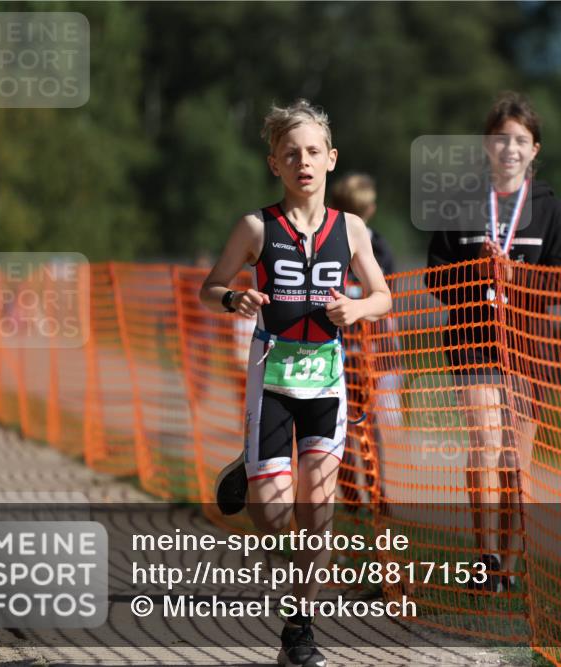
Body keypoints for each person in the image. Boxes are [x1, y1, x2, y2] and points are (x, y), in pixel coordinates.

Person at [200, 99, 391, 667]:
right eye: (291, 154)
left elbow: (382, 296)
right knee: (277, 516)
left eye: (312, 152)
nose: (302, 162)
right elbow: (209, 287)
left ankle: (300, 629)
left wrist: (357, 311)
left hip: (326, 382)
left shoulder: (351, 230)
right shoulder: (256, 227)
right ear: (274, 164)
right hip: (273, 378)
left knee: (318, 504)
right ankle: (249, 465)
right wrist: (236, 298)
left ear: (330, 160)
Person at [426, 91, 561, 592]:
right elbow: (435, 276)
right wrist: (476, 274)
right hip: (473, 340)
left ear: (535, 150)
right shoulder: (462, 203)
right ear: (486, 146)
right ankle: (484, 557)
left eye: (521, 141)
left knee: (517, 458)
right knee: (485, 443)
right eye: (500, 139)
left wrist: (515, 276)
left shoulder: (551, 211)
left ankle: (511, 567)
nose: (509, 149)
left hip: (529, 348)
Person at [329, 174, 400, 510]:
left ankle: (363, 493)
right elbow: (388, 295)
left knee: (341, 422)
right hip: (356, 349)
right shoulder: (376, 244)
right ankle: (370, 491)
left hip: (352, 349)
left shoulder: (329, 238)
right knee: (361, 423)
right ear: (368, 208)